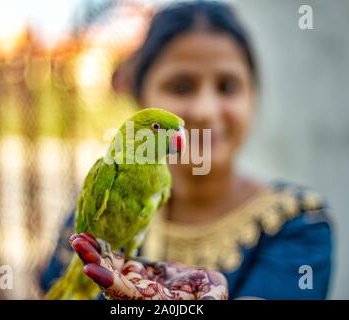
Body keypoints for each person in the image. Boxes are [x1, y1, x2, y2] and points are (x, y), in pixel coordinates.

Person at [40, 0, 332, 300]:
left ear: (253, 97)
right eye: (181, 87)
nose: (205, 111)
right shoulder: (99, 198)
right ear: (140, 97)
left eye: (228, 87)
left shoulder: (298, 225)